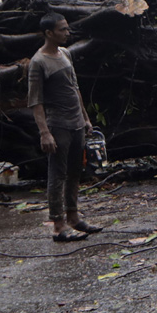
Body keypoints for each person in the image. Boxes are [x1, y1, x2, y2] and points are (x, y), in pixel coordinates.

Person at [28, 12, 103, 242]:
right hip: (57, 125)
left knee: (75, 172)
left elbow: (75, 88)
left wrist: (86, 118)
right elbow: (35, 101)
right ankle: (58, 225)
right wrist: (44, 132)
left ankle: (73, 217)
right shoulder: (38, 62)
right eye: (62, 29)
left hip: (76, 123)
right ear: (49, 33)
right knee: (57, 175)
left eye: (67, 28)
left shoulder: (66, 53)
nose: (67, 33)